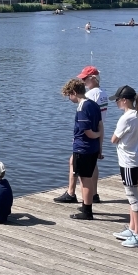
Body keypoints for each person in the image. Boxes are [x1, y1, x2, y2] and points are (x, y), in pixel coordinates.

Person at [53, 66, 108, 204]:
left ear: (93, 78)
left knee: (79, 169)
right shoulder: (103, 93)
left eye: (85, 78)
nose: (83, 81)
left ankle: (73, 194)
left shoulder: (89, 97)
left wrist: (89, 134)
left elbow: (87, 123)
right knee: (91, 166)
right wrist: (100, 141)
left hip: (86, 140)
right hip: (95, 137)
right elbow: (101, 122)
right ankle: (93, 194)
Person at [110, 86, 138, 247]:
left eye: (117, 100)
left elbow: (113, 139)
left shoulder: (126, 118)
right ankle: (132, 228)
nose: (116, 103)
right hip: (137, 157)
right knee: (131, 196)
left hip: (129, 161)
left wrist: (133, 132)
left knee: (133, 197)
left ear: (124, 100)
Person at [59, 78, 102, 220]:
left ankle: (87, 211)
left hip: (83, 149)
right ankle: (86, 206)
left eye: (69, 95)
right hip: (93, 148)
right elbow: (101, 125)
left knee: (85, 180)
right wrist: (100, 146)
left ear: (74, 92)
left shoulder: (82, 107)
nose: (69, 99)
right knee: (87, 178)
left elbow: (87, 131)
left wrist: (95, 135)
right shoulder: (94, 105)